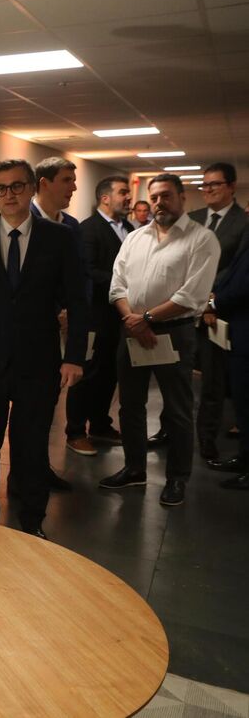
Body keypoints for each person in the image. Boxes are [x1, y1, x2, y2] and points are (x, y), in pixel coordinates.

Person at [0, 159, 87, 539]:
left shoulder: (58, 238)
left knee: (31, 447)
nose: (9, 195)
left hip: (38, 363)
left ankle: (31, 522)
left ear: (32, 188)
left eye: (17, 186)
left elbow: (78, 299)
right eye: (0, 188)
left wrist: (74, 356)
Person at [99, 174, 219, 507]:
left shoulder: (202, 239)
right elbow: (116, 286)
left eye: (166, 196)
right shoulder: (135, 238)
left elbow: (191, 295)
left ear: (181, 197)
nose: (158, 203)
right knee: (130, 406)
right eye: (153, 197)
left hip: (173, 333)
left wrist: (147, 319)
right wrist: (133, 320)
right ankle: (134, 468)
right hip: (132, 330)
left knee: (178, 410)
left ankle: (177, 479)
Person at [29, 156, 87, 491]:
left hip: (62, 332)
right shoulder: (24, 223)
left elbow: (77, 280)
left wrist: (71, 312)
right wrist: (54, 310)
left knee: (47, 406)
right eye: (67, 180)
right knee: (30, 410)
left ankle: (38, 467)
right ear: (44, 183)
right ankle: (26, 473)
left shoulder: (71, 227)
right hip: (34, 331)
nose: (74, 187)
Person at [65, 176, 133, 455]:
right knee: (87, 375)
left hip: (119, 317)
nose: (128, 197)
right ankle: (76, 431)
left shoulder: (128, 228)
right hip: (95, 314)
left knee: (109, 373)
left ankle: (100, 424)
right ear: (105, 198)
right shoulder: (88, 230)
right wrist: (125, 284)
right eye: (123, 193)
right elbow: (87, 271)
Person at [188, 162, 248, 462]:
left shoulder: (242, 222)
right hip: (184, 310)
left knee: (211, 382)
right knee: (177, 377)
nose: (208, 190)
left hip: (217, 314)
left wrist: (211, 303)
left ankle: (207, 439)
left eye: (215, 184)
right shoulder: (193, 218)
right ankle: (169, 431)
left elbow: (235, 270)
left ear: (231, 186)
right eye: (205, 185)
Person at [206, 239, 249, 488]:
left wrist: (213, 302)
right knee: (242, 403)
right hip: (239, 331)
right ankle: (244, 458)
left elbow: (244, 286)